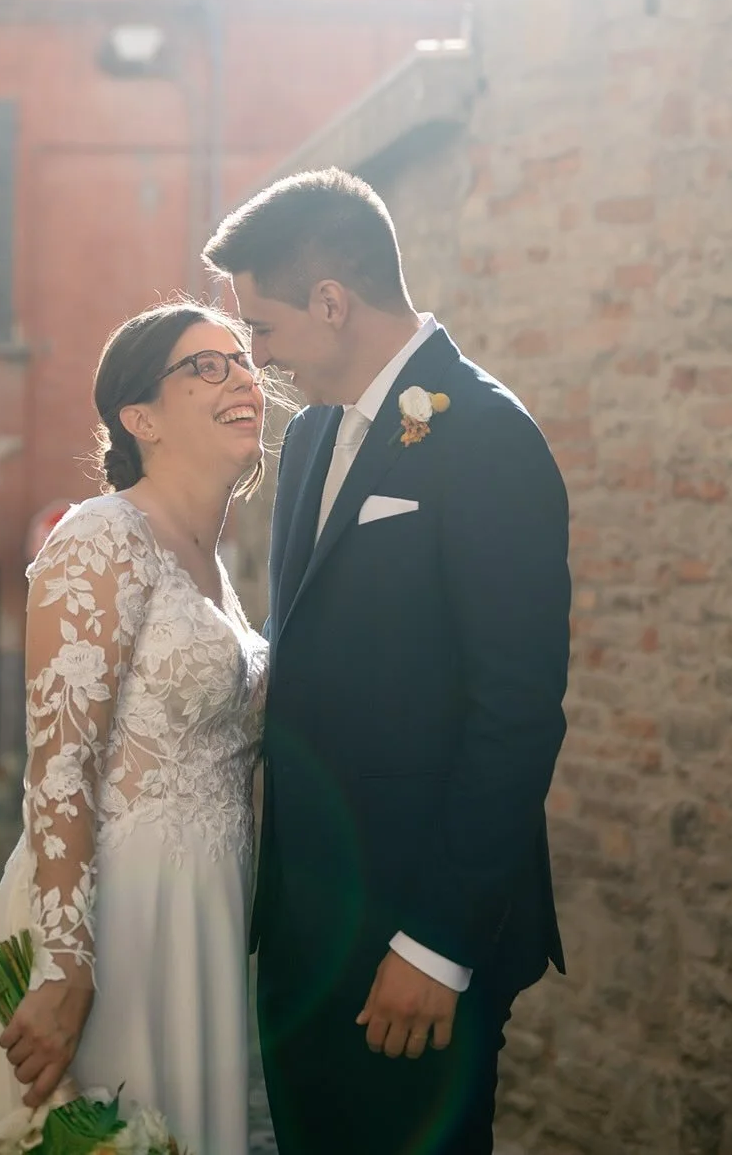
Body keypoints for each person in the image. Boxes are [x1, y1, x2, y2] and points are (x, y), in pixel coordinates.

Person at [203, 168, 571, 1155]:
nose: (259, 360)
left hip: (415, 946)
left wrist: (435, 946)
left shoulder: (490, 438)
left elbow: (517, 716)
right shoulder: (315, 435)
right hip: (302, 943)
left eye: (265, 329)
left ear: (332, 302)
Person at [0, 302, 268, 1155]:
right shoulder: (101, 538)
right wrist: (64, 967)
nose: (242, 376)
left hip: (199, 927)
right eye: (205, 366)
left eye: (242, 359)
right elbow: (60, 769)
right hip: (110, 927)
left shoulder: (216, 568)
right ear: (140, 417)